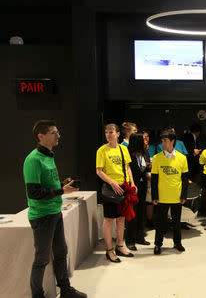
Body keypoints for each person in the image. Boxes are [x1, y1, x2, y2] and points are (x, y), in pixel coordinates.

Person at [23, 120, 87, 298]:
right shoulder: (33, 159)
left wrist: (62, 186)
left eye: (57, 132)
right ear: (41, 136)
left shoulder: (49, 156)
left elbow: (47, 185)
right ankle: (38, 295)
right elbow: (34, 192)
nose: (58, 135)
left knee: (61, 253)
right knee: (42, 259)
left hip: (54, 212)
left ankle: (65, 289)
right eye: (53, 133)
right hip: (42, 216)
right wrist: (61, 190)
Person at [96, 123, 136, 263]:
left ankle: (120, 246)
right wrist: (112, 183)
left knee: (121, 219)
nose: (108, 134)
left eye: (111, 132)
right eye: (106, 132)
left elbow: (127, 167)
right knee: (109, 220)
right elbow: (99, 171)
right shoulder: (102, 150)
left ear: (118, 134)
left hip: (123, 187)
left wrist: (132, 183)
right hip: (111, 188)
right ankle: (109, 250)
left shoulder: (123, 150)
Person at [151, 129, 189, 255]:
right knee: (160, 223)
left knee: (177, 222)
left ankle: (177, 243)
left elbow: (184, 179)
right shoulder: (156, 158)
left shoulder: (182, 158)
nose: (163, 143)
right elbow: (154, 179)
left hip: (177, 196)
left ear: (173, 141)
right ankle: (157, 244)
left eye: (166, 140)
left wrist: (184, 195)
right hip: (162, 197)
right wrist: (154, 196)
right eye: (162, 141)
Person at [125, 133, 151, 250]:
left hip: (143, 184)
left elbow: (145, 166)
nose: (145, 141)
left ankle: (140, 236)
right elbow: (128, 169)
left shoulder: (144, 152)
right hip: (133, 185)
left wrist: (148, 166)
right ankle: (130, 240)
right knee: (132, 213)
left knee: (142, 211)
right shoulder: (128, 153)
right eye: (143, 140)